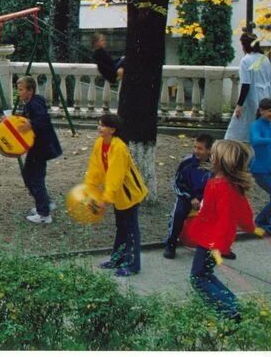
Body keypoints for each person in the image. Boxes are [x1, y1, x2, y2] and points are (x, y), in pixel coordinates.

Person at [182, 139, 266, 321]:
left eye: (214, 154)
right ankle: (233, 306)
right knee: (204, 274)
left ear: (219, 161)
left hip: (210, 240)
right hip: (215, 240)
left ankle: (229, 312)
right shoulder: (231, 184)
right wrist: (252, 228)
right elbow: (243, 212)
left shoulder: (217, 185)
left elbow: (222, 216)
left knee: (198, 278)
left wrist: (215, 244)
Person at [85, 114, 148, 276]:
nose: (99, 128)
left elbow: (115, 176)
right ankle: (118, 259)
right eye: (99, 124)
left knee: (130, 228)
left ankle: (133, 265)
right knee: (121, 227)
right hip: (119, 195)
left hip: (130, 194)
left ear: (112, 130)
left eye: (103, 126)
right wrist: (90, 189)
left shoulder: (119, 148)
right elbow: (95, 168)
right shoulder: (100, 143)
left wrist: (105, 199)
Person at [17, 76, 63, 224]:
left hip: (41, 148)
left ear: (30, 90)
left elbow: (43, 120)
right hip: (39, 148)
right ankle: (46, 203)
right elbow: (26, 120)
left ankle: (44, 214)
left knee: (35, 178)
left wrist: (31, 125)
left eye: (21, 89)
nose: (19, 92)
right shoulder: (32, 102)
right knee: (28, 174)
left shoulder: (34, 104)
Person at [163, 133, 213, 259]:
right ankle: (171, 243)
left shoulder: (215, 165)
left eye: (200, 148)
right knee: (178, 213)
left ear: (209, 150)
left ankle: (216, 245)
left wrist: (204, 199)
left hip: (206, 197)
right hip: (187, 196)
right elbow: (177, 183)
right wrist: (191, 197)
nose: (196, 151)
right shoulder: (187, 162)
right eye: (195, 147)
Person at [227, 31, 271, 143]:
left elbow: (246, 84)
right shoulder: (264, 58)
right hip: (266, 94)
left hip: (252, 96)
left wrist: (239, 105)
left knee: (239, 127)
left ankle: (236, 147)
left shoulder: (246, 60)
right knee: (263, 123)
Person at [251, 98, 271, 232]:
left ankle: (266, 221)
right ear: (261, 111)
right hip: (260, 169)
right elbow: (255, 140)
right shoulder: (256, 125)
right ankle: (260, 221)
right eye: (269, 111)